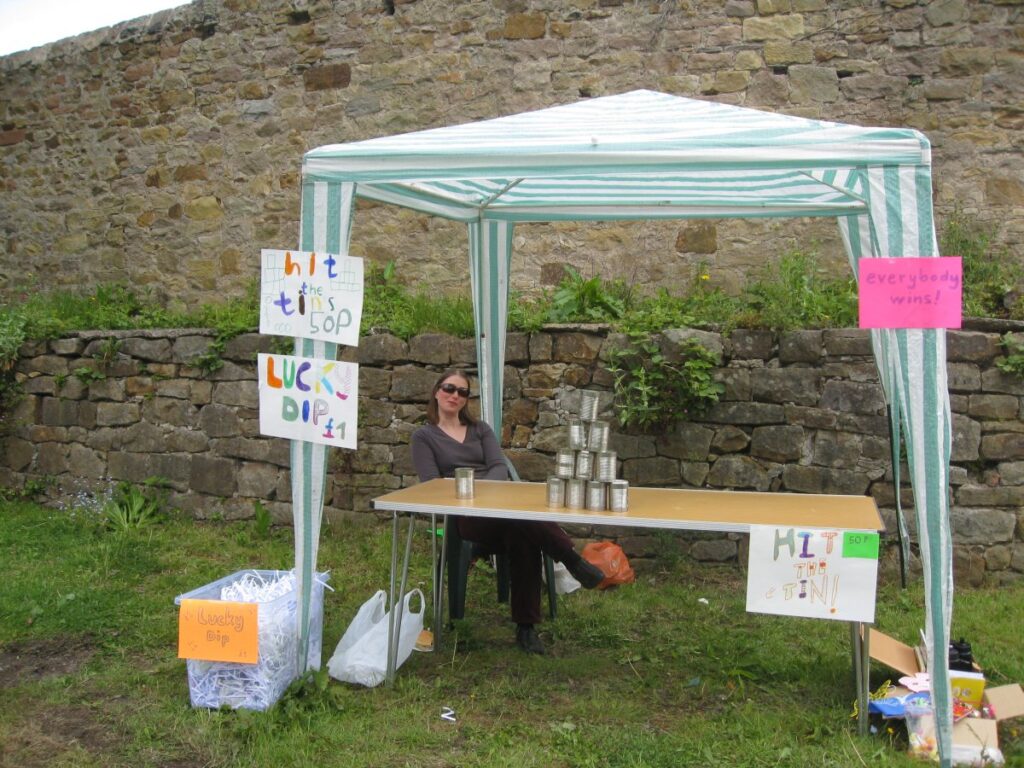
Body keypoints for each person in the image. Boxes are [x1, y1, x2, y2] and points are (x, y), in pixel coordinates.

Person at [410, 369, 606, 655]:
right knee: (523, 520)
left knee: (521, 531)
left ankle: (526, 627)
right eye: (449, 388)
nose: (455, 395)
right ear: (437, 392)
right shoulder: (424, 437)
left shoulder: (480, 430)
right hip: (467, 516)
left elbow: (499, 467)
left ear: (467, 399)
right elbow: (431, 484)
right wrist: (473, 492)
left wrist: (482, 488)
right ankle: (571, 561)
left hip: (500, 506)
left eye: (462, 391)